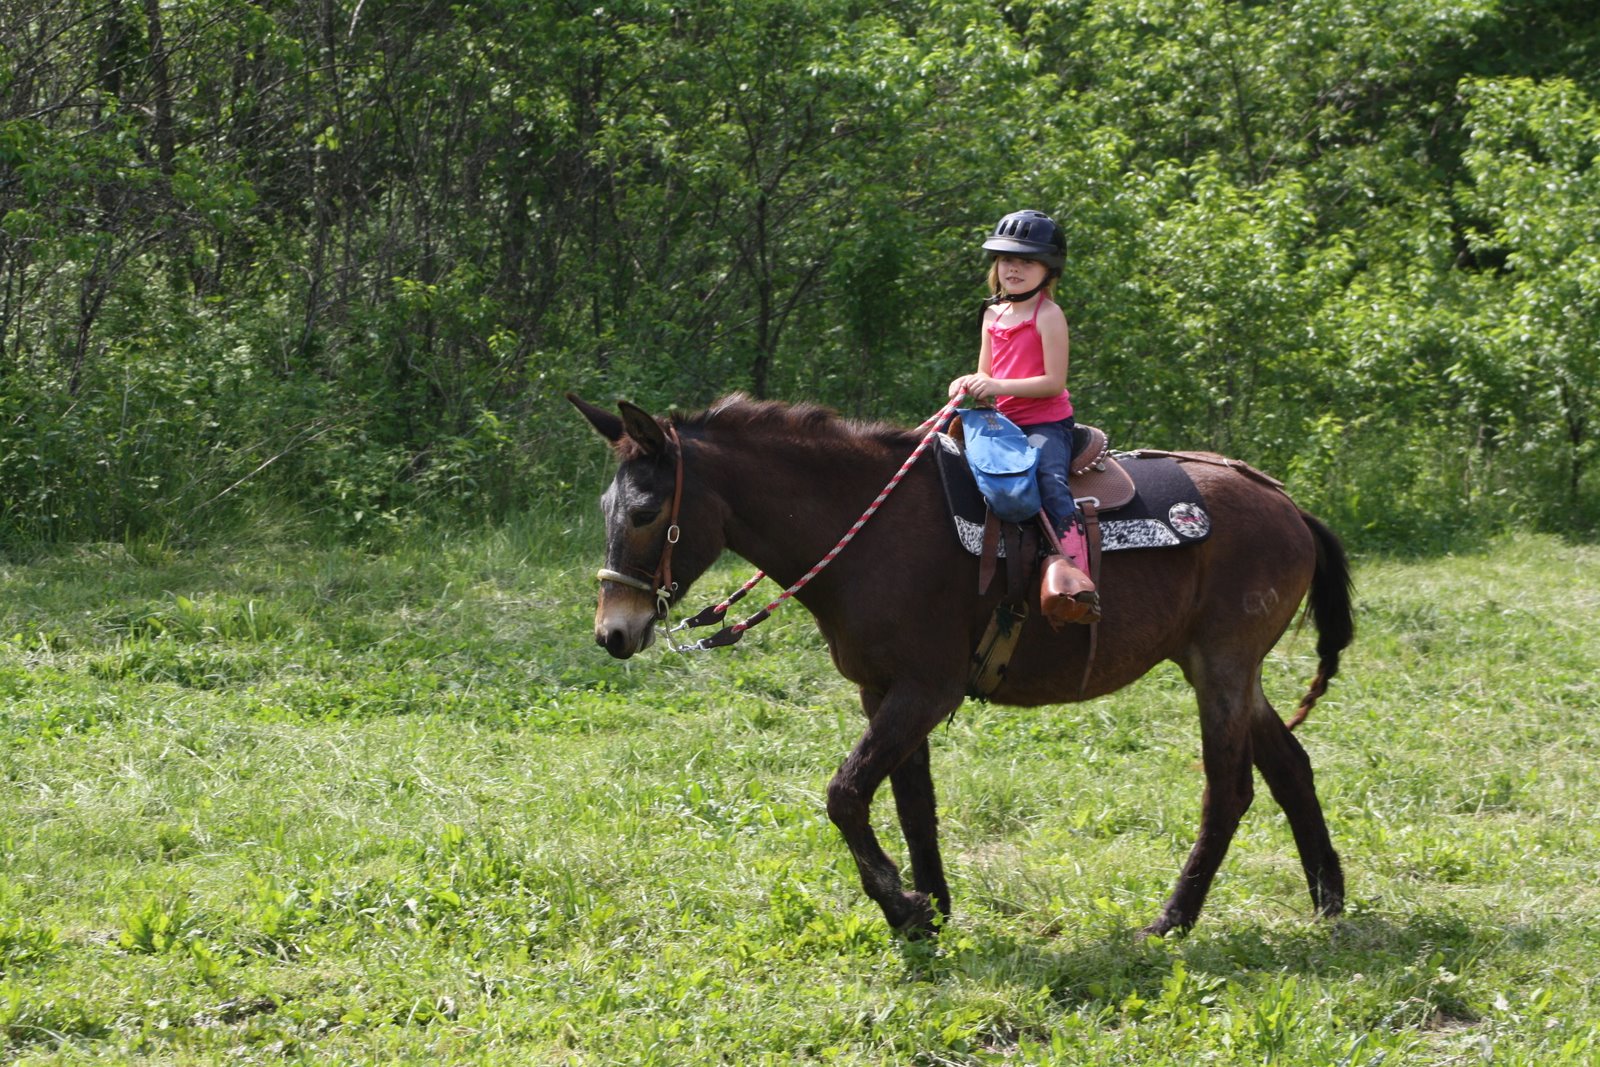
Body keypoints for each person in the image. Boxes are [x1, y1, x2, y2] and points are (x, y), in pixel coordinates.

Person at [947, 209, 1100, 626]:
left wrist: (996, 388)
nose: (1013, 268)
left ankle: (1076, 579)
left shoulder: (1047, 316)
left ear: (1048, 271)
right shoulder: (992, 313)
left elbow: (1053, 381)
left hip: (1044, 423)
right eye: (1005, 259)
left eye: (1026, 261)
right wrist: (969, 384)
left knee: (1048, 482)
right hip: (1000, 421)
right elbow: (986, 373)